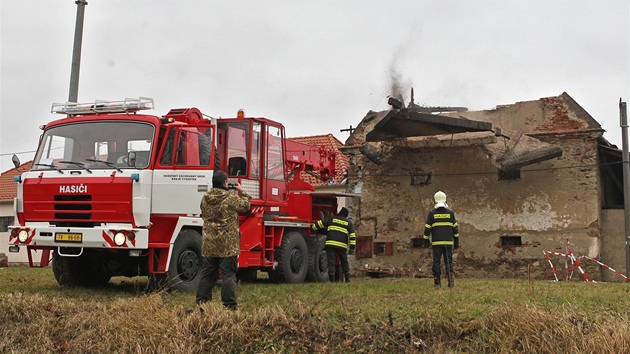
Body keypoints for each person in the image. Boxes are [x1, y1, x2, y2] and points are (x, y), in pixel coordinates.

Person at [196, 170, 251, 310]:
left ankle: (202, 303)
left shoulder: (205, 198)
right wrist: (242, 191)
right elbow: (246, 206)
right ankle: (229, 305)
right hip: (227, 245)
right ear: (225, 182)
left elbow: (203, 210)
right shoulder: (230, 198)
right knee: (228, 275)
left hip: (209, 244)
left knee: (207, 275)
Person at [422, 191, 459, 288]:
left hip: (436, 243)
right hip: (448, 243)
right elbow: (455, 230)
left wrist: (425, 242)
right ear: (445, 200)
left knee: (436, 262)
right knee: (449, 262)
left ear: (435, 201)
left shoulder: (432, 214)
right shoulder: (450, 214)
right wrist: (457, 243)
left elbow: (427, 230)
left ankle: (437, 282)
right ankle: (451, 281)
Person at [311, 207, 356, 283]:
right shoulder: (348, 223)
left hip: (331, 244)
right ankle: (347, 279)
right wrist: (352, 248)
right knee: (344, 262)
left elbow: (320, 224)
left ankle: (332, 280)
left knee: (331, 262)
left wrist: (313, 227)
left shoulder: (331, 219)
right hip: (342, 246)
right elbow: (352, 236)